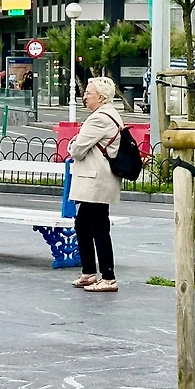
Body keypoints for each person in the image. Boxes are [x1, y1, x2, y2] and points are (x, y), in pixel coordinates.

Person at [67, 76, 123, 293]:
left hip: (95, 180)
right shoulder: (111, 114)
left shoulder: (99, 118)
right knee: (83, 225)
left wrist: (72, 143)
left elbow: (77, 150)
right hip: (99, 179)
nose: (84, 96)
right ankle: (89, 272)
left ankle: (108, 277)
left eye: (88, 93)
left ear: (100, 97)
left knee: (98, 228)